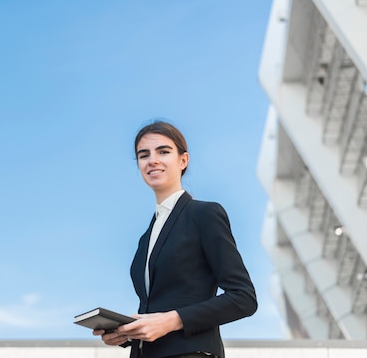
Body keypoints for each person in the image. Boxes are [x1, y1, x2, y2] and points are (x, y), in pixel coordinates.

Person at [94, 120, 257, 358]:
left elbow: (243, 298)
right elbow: (153, 310)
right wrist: (127, 334)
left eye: (163, 151)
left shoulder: (204, 215)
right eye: (143, 155)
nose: (152, 160)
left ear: (183, 160)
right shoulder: (146, 238)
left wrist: (172, 320)